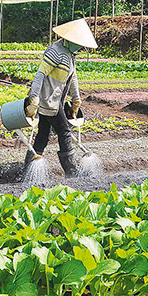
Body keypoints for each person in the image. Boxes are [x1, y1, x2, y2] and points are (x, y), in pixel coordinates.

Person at [23, 19, 97, 177]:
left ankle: (28, 170)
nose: (82, 48)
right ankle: (71, 171)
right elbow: (40, 75)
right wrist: (34, 98)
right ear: (70, 40)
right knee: (64, 131)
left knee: (43, 133)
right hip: (48, 102)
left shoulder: (70, 54)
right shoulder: (55, 51)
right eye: (80, 44)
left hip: (55, 101)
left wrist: (76, 99)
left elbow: (73, 77)